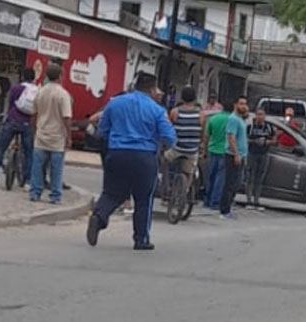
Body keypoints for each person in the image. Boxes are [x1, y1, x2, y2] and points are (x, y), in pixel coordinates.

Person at [87, 72, 176, 250]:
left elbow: (102, 130)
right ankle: (141, 239)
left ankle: (99, 216)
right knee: (143, 198)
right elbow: (170, 137)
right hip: (144, 157)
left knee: (112, 192)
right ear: (152, 89)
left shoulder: (115, 103)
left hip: (117, 153)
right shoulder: (157, 110)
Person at [29, 63, 72, 203]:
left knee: (37, 167)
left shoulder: (40, 92)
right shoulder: (63, 94)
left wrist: (34, 129)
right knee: (56, 168)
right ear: (60, 76)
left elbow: (34, 113)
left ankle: (35, 192)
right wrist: (68, 136)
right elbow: (66, 117)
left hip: (41, 134)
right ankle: (55, 195)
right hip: (57, 137)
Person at [0, 68, 37, 187]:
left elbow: (10, 105)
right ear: (33, 78)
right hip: (27, 123)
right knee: (29, 152)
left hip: (13, 120)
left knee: (1, 148)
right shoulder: (37, 91)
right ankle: (28, 181)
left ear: (22, 76)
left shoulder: (16, 88)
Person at [160, 85, 204, 202]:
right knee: (189, 172)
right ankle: (185, 191)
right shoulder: (200, 113)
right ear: (194, 98)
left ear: (182, 98)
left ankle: (167, 187)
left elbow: (168, 128)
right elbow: (202, 131)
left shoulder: (175, 111)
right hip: (192, 149)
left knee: (164, 161)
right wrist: (201, 145)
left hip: (177, 148)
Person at [220, 96, 249, 220]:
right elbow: (231, 137)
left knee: (237, 183)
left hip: (240, 155)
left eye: (245, 104)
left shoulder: (240, 119)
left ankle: (228, 207)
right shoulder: (233, 119)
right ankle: (224, 210)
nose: (244, 106)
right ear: (235, 105)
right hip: (232, 156)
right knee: (230, 183)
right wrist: (236, 154)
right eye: (241, 104)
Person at [202, 100, 231, 209]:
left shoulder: (213, 119)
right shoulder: (232, 120)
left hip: (212, 150)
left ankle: (207, 200)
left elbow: (206, 136)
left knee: (210, 177)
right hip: (224, 151)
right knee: (220, 179)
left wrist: (205, 150)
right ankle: (215, 202)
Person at [246, 108, 276, 210]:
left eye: (261, 115)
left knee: (260, 178)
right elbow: (245, 139)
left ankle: (256, 200)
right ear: (255, 116)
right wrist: (255, 141)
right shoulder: (250, 127)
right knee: (250, 176)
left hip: (264, 154)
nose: (260, 117)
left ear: (264, 116)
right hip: (252, 153)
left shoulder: (268, 128)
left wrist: (267, 142)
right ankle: (248, 200)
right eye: (258, 115)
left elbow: (274, 140)